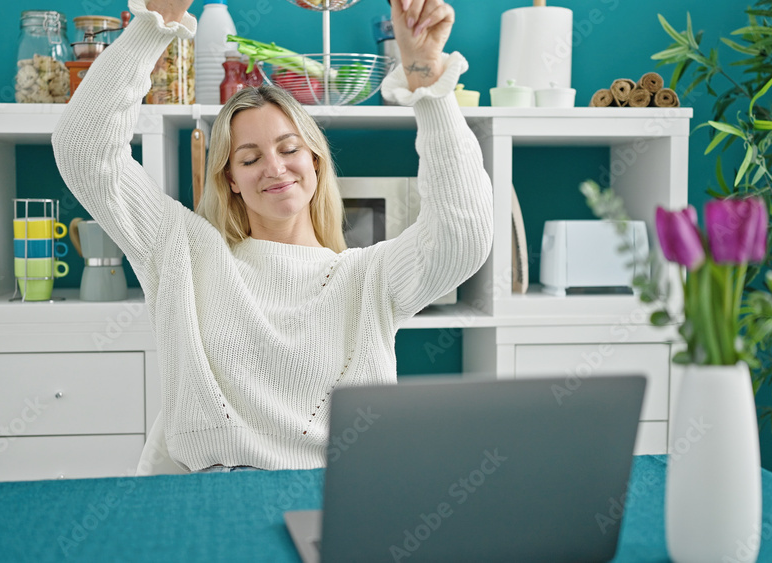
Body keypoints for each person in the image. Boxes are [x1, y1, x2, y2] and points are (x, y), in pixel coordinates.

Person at [52, 0, 493, 474]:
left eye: (289, 148)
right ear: (230, 181)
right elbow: (84, 149)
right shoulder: (184, 251)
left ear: (315, 163)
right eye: (249, 158)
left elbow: (461, 236)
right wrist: (153, 24)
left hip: (337, 504)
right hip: (209, 506)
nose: (275, 167)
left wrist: (426, 81)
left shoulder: (367, 278)